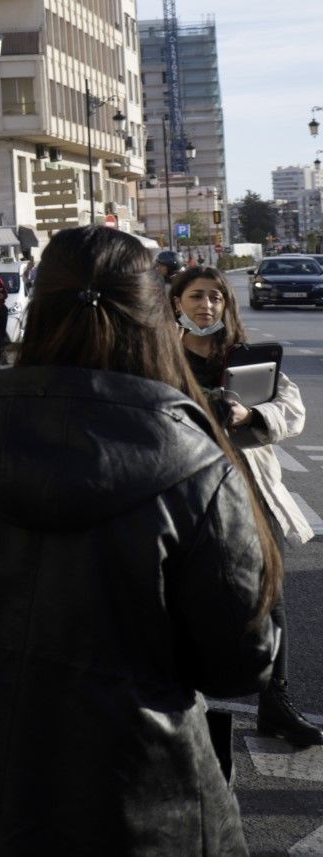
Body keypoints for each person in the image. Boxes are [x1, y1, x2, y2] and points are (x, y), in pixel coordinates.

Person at [0, 228, 282, 854]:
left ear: (38, 311)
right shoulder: (196, 457)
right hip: (141, 792)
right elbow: (240, 657)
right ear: (153, 317)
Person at [170, 264, 321, 747]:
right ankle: (179, 712)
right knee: (182, 601)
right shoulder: (160, 358)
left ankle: (276, 705)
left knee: (268, 602)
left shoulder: (246, 356)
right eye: (196, 296)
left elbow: (292, 410)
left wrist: (251, 413)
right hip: (185, 496)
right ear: (177, 303)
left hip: (250, 495)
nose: (207, 306)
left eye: (216, 297)